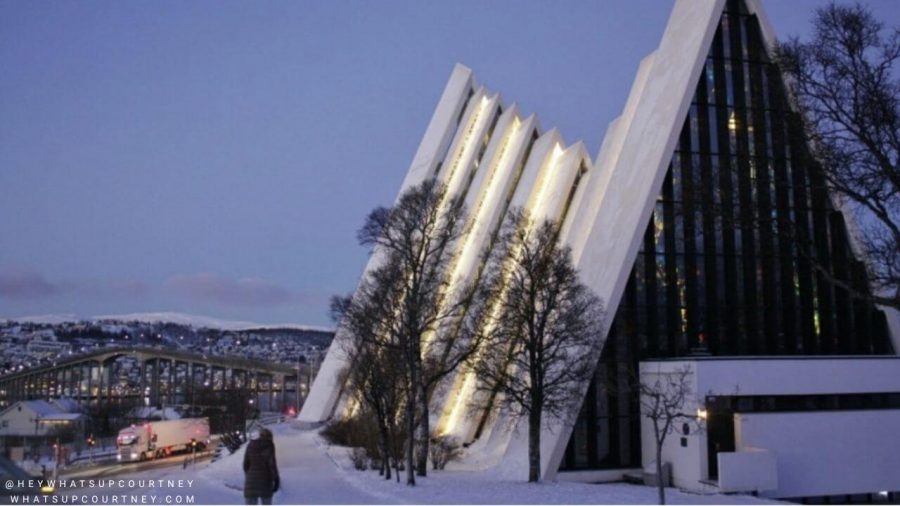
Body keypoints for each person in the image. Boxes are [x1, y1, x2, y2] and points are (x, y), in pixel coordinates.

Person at [243, 428, 280, 505]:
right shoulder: (269, 445)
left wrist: (250, 475)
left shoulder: (250, 445)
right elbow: (272, 465)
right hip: (265, 481)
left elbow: (245, 464)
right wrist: (276, 479)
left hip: (251, 481)